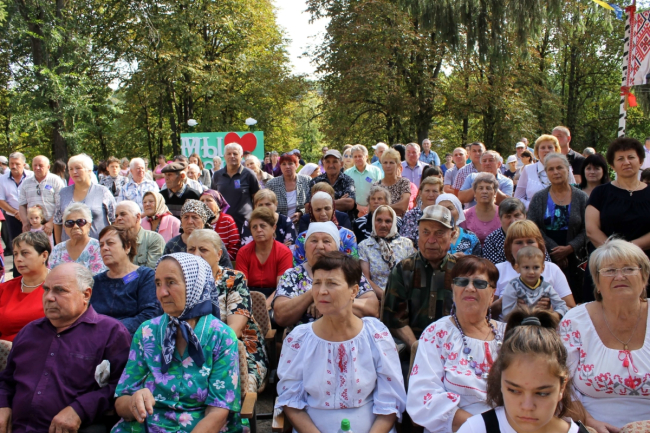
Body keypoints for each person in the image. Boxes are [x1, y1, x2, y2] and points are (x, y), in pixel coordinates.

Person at [112, 253, 245, 433]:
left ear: (194, 286)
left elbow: (218, 411)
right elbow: (121, 400)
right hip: (148, 426)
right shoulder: (147, 332)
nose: (162, 293)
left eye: (171, 282)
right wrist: (133, 402)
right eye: (158, 283)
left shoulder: (221, 337)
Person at [275, 251, 406, 432]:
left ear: (354, 291)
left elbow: (390, 400)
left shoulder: (376, 335)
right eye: (317, 283)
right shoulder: (300, 339)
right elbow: (291, 401)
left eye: (332, 283)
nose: (321, 291)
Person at [0, 263, 131, 433]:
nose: (49, 297)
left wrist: (80, 409)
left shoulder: (111, 333)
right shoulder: (29, 332)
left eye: (60, 290)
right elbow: (7, 380)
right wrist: (2, 405)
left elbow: (121, 387)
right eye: (46, 290)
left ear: (86, 295)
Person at [407, 255, 506, 433]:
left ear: (492, 294)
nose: (469, 288)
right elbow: (423, 398)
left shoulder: (509, 335)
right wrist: (484, 428)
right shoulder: (437, 334)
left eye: (479, 283)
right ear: (453, 290)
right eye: (462, 282)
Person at [560, 239, 650, 431]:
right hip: (589, 426)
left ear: (644, 277)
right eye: (609, 270)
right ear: (597, 283)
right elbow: (561, 383)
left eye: (628, 269)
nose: (619, 276)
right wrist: (588, 423)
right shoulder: (575, 321)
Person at [459, 309, 581, 433]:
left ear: (562, 387)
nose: (527, 407)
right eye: (514, 390)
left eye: (542, 393)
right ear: (501, 382)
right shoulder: (475, 429)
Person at [187, 229, 268, 393]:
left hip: (238, 347)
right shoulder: (182, 281)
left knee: (228, 388)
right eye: (191, 249)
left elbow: (234, 330)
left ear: (218, 254)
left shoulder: (234, 279)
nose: (196, 255)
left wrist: (205, 354)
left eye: (203, 250)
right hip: (189, 348)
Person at [274, 222, 378, 331]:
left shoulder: (350, 271)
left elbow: (373, 308)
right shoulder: (292, 275)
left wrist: (332, 301)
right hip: (305, 339)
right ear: (305, 247)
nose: (319, 246)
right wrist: (314, 295)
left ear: (337, 247)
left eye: (326, 241)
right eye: (314, 241)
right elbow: (280, 316)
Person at [382, 205, 457, 350]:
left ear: (452, 235)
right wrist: (417, 348)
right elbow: (394, 320)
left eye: (439, 233)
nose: (431, 240)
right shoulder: (403, 270)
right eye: (425, 232)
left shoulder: (460, 272)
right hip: (411, 347)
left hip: (452, 348)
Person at [527, 153, 588, 302]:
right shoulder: (539, 197)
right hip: (545, 255)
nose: (556, 172)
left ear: (568, 169)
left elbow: (588, 228)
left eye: (559, 168)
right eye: (551, 169)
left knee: (576, 299)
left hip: (576, 257)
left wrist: (570, 248)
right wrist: (553, 250)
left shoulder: (581, 197)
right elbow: (532, 227)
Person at [492, 220, 576, 318]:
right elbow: (486, 312)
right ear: (509, 246)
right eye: (519, 242)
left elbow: (572, 309)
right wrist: (506, 301)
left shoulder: (552, 269)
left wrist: (551, 309)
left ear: (539, 244)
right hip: (508, 326)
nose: (525, 246)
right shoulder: (498, 270)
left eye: (530, 241)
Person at [586, 137, 650, 263]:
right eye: (620, 159)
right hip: (607, 261)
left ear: (641, 161)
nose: (626, 162)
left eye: (631, 157)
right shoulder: (600, 192)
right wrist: (615, 253)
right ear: (612, 166)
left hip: (645, 262)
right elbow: (591, 230)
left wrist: (628, 249)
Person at [92, 226, 161, 335]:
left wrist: (112, 329)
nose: (104, 248)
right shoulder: (96, 281)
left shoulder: (145, 276)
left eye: (110, 243)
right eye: (101, 245)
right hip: (98, 338)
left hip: (132, 339)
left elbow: (150, 314)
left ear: (127, 247)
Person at [53, 154, 116, 243]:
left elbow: (114, 220)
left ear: (89, 170)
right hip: (70, 247)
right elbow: (57, 222)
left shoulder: (103, 192)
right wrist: (59, 246)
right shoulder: (63, 193)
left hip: (98, 246)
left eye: (78, 168)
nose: (74, 172)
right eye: (71, 169)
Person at [236, 206, 293, 303]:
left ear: (273, 228)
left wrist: (265, 305)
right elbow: (241, 287)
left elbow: (282, 287)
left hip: (276, 297)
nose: (258, 230)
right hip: (249, 297)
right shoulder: (243, 252)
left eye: (263, 226)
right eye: (254, 227)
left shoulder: (284, 252)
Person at [0, 232, 50, 342]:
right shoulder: (4, 289)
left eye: (25, 253)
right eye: (15, 254)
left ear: (44, 255)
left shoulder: (58, 286)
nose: (18, 259)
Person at [359, 205, 415, 299]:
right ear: (373, 222)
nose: (383, 225)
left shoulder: (406, 244)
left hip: (404, 297)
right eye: (379, 220)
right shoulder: (365, 246)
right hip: (377, 298)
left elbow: (411, 275)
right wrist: (386, 297)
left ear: (394, 223)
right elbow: (366, 279)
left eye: (388, 221)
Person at [500, 246, 568, 319]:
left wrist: (551, 316)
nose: (531, 272)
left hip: (542, 323)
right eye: (526, 267)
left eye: (536, 267)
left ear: (542, 268)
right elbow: (506, 313)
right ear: (517, 268)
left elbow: (562, 307)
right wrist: (519, 311)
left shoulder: (547, 287)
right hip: (519, 323)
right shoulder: (513, 286)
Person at [293, 192, 359, 264]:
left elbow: (352, 266)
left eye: (327, 209)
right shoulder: (302, 238)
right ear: (311, 211)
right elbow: (298, 267)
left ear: (333, 209)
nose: (323, 214)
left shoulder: (347, 236)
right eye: (318, 210)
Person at [163, 200, 232, 268]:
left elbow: (227, 269)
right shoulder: (172, 245)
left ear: (203, 221)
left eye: (195, 217)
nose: (189, 221)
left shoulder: (215, 242)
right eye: (186, 217)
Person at [515, 134, 575, 208]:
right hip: (533, 213)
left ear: (556, 150)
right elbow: (518, 198)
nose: (546, 150)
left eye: (550, 147)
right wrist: (533, 206)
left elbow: (574, 195)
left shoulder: (566, 169)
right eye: (543, 148)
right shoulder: (528, 169)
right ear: (537, 151)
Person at [212, 143, 261, 231]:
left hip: (245, 223)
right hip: (223, 223)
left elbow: (257, 198)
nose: (232, 156)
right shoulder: (217, 175)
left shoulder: (249, 174)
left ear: (241, 156)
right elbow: (213, 198)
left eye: (235, 154)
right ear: (224, 156)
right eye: (229, 154)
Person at [50, 203, 107, 275]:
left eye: (80, 222)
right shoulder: (58, 249)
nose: (75, 226)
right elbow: (51, 275)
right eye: (70, 223)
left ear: (89, 225)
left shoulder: (98, 247)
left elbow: (98, 277)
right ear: (64, 227)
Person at [18, 155, 65, 239]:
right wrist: (25, 222)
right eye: (35, 165)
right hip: (34, 226)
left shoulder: (56, 180)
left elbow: (61, 204)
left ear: (48, 167)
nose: (37, 168)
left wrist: (51, 222)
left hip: (54, 225)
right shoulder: (26, 183)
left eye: (40, 165)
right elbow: (22, 204)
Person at [113, 200, 165, 269]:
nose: (118, 218)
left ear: (137, 217)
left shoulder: (153, 239)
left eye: (123, 214)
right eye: (116, 216)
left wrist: (127, 275)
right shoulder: (114, 241)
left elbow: (151, 272)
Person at [307, 149, 356, 216]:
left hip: (342, 221)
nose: (331, 165)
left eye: (335, 162)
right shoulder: (315, 181)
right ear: (323, 164)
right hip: (321, 220)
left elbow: (349, 204)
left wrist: (319, 204)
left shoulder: (348, 180)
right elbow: (308, 207)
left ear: (341, 164)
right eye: (328, 162)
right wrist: (339, 201)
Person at [265, 152, 311, 224]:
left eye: (290, 163)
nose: (287, 166)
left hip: (302, 224)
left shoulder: (307, 180)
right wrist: (282, 219)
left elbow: (312, 204)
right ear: (280, 166)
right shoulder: (271, 184)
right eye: (284, 164)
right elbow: (266, 207)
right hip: (279, 225)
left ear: (296, 165)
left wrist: (301, 213)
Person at [400, 177, 444, 247]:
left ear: (441, 193)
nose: (431, 195)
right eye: (427, 191)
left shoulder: (445, 215)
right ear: (420, 193)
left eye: (435, 191)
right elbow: (407, 243)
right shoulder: (411, 215)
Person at [481, 197, 527, 265]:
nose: (513, 221)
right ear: (500, 219)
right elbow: (494, 269)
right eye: (508, 216)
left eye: (517, 215)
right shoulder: (492, 240)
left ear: (525, 216)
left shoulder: (534, 236)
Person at [460, 173, 501, 245]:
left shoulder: (503, 214)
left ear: (495, 193)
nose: (484, 191)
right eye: (481, 188)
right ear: (475, 193)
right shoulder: (465, 215)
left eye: (488, 188)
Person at [199, 189, 240, 260]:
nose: (204, 203)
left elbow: (234, 247)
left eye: (208, 200)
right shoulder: (198, 221)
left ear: (217, 204)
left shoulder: (227, 220)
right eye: (202, 201)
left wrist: (217, 260)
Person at [345, 144, 384, 217]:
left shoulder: (376, 171)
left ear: (366, 156)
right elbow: (346, 194)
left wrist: (369, 207)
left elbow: (380, 190)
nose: (357, 158)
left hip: (373, 210)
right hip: (353, 212)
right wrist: (358, 207)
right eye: (355, 156)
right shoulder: (347, 173)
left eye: (360, 156)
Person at [375, 148, 411, 217]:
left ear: (398, 165)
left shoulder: (404, 182)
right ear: (381, 165)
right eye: (385, 163)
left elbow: (403, 207)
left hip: (400, 221)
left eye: (391, 163)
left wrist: (382, 207)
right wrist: (395, 207)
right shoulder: (376, 185)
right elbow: (373, 209)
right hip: (381, 221)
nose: (388, 166)